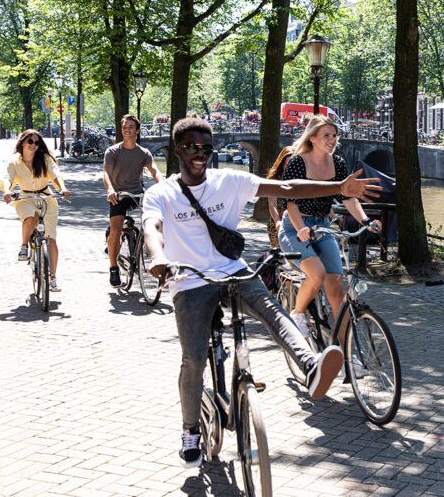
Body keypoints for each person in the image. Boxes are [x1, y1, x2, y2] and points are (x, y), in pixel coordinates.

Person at [141, 118, 381, 467]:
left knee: (272, 311)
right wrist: (159, 257)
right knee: (193, 358)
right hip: (190, 280)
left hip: (233, 271)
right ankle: (190, 430)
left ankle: (311, 365)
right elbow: (152, 226)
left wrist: (336, 188)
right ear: (178, 149)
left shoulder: (230, 181)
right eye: (192, 147)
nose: (200, 155)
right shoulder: (161, 193)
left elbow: (286, 189)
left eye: (206, 148)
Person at [277, 116, 381, 340]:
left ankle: (345, 352)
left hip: (323, 226)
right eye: (327, 135)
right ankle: (297, 313)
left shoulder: (339, 164)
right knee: (316, 274)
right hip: (295, 227)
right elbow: (290, 202)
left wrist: (365, 221)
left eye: (334, 136)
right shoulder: (297, 163)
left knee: (336, 287)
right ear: (312, 138)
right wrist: (301, 228)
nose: (332, 140)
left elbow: (349, 199)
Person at [0, 130, 71, 291]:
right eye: (30, 141)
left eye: (37, 142)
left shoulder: (45, 159)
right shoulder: (14, 161)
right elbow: (7, 179)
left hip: (46, 198)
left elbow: (55, 175)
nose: (33, 145)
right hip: (25, 197)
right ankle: (24, 246)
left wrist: (63, 188)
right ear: (23, 142)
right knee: (30, 218)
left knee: (51, 239)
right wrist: (6, 191)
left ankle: (53, 278)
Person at [103, 115, 164, 287]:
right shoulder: (113, 151)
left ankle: (152, 253)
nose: (127, 130)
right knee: (116, 230)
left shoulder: (143, 153)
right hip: (119, 195)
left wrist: (163, 186)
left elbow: (155, 171)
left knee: (155, 223)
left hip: (138, 194)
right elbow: (106, 173)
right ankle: (113, 268)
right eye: (124, 127)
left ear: (137, 131)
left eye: (130, 127)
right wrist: (110, 190)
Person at [265, 146, 294, 248]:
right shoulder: (275, 180)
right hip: (279, 221)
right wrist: (277, 221)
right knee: (281, 256)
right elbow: (272, 204)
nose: (291, 168)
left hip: (296, 221)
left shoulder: (300, 178)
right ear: (282, 163)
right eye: (288, 164)